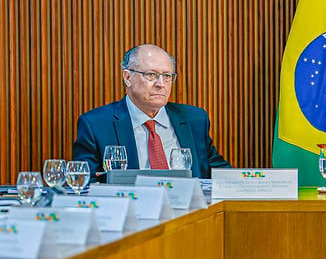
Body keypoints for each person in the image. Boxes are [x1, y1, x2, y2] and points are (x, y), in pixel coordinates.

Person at [73, 44, 230, 179]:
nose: (161, 84)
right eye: (151, 75)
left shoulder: (194, 119)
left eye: (167, 76)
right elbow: (87, 182)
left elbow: (218, 172)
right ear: (127, 77)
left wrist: (250, 184)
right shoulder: (96, 125)